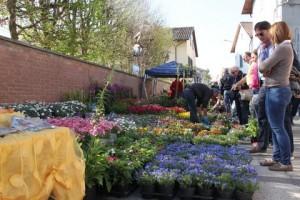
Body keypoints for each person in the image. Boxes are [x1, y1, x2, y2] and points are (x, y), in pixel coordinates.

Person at [259, 21, 293, 171]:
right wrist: (267, 68)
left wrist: (261, 58)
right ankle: (277, 158)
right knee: (275, 127)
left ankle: (285, 162)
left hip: (277, 90)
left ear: (276, 32)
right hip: (275, 89)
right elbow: (267, 69)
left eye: (272, 32)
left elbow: (263, 67)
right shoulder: (283, 47)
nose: (270, 36)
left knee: (278, 128)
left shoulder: (283, 48)